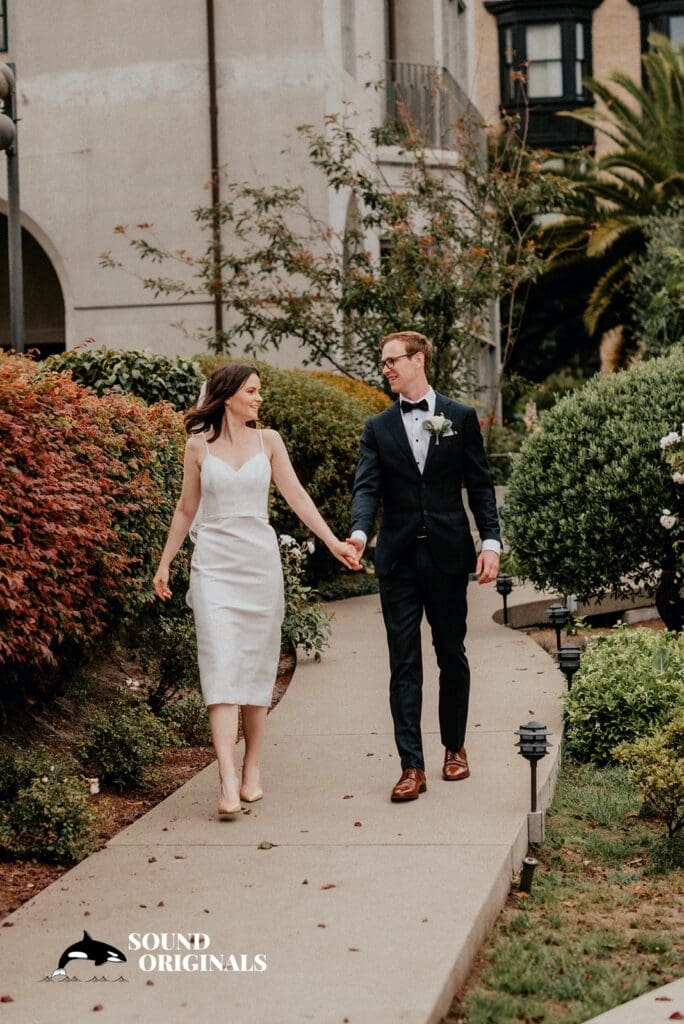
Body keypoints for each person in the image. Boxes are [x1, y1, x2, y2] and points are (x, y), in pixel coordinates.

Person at [153, 364, 360, 819]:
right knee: (220, 663)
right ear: (228, 396)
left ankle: (251, 767)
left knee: (257, 667)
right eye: (252, 391)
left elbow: (297, 496)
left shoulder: (270, 442)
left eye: (259, 391)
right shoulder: (197, 447)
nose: (259, 398)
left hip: (259, 567)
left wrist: (332, 541)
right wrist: (166, 562)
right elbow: (187, 507)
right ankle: (226, 777)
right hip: (214, 568)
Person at [348, 331, 501, 802]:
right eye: (384, 362)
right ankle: (411, 766)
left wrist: (491, 541)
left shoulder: (459, 417)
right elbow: (367, 488)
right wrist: (358, 534)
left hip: (448, 555)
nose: (386, 369)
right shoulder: (377, 428)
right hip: (396, 558)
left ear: (418, 360)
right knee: (403, 662)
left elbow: (479, 485)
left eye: (393, 360)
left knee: (451, 652)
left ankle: (454, 748)